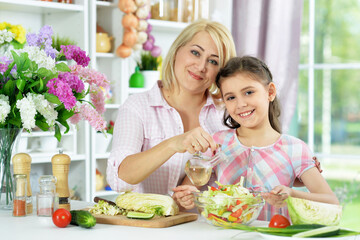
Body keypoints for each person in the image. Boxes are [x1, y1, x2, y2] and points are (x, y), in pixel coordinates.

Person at [174, 56, 339, 220]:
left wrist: (292, 194)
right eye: (231, 97)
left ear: (270, 92)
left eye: (248, 92)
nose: (241, 104)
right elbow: (187, 192)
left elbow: (332, 203)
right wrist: (190, 197)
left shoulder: (294, 148)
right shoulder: (218, 142)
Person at [106, 19, 237, 197]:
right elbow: (119, 180)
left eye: (213, 62)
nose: (201, 67)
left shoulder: (227, 113)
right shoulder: (137, 107)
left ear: (221, 72)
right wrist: (172, 144)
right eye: (195, 52)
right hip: (148, 224)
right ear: (176, 51)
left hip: (205, 224)